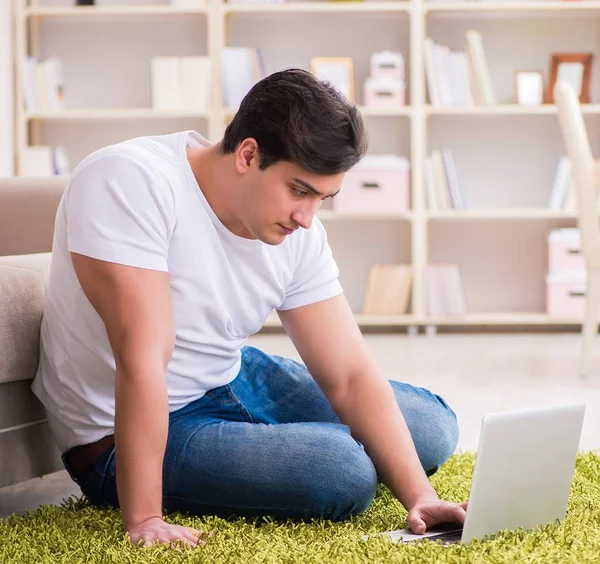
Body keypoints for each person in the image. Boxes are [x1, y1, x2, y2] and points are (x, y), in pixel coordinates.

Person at [31, 68, 466, 549]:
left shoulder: (297, 230)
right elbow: (142, 359)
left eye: (323, 198)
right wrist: (146, 519)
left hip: (226, 377)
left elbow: (348, 372)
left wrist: (420, 496)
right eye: (299, 190)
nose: (307, 218)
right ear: (248, 153)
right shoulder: (129, 181)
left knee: (431, 428)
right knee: (342, 471)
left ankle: (277, 449)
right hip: (115, 432)